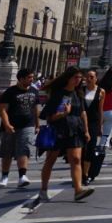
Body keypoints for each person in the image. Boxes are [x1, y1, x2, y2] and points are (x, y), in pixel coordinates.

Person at [36, 67, 94, 203]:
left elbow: (83, 113)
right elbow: (49, 117)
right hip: (58, 130)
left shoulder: (79, 93)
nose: (78, 80)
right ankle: (43, 190)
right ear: (68, 78)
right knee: (50, 161)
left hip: (75, 130)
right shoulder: (58, 94)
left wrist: (86, 130)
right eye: (76, 77)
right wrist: (64, 114)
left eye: (80, 78)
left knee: (75, 159)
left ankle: (78, 190)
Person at [0, 68, 38, 188]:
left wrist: (37, 124)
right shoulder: (10, 92)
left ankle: (22, 176)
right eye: (29, 77)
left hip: (27, 125)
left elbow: (35, 109)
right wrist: (7, 124)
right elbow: (3, 109)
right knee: (7, 152)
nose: (32, 80)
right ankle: (4, 176)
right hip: (10, 126)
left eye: (32, 77)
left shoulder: (34, 91)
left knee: (24, 149)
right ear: (21, 78)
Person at [80, 69, 106, 183]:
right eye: (87, 77)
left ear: (96, 79)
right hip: (80, 123)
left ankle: (86, 174)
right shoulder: (81, 90)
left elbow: (100, 110)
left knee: (90, 148)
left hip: (94, 123)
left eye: (91, 77)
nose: (89, 79)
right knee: (80, 149)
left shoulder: (101, 91)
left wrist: (100, 126)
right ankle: (80, 173)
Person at [97, 68, 112, 148]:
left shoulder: (99, 84)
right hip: (111, 112)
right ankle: (101, 151)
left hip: (98, 111)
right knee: (106, 135)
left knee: (94, 133)